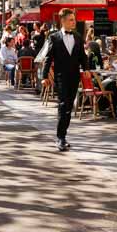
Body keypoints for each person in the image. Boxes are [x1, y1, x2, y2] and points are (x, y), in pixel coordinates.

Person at [41, 8, 89, 152]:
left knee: (68, 108)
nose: (74, 22)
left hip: (74, 76)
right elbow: (48, 58)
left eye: (74, 19)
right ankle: (60, 137)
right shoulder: (54, 37)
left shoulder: (78, 36)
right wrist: (44, 77)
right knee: (63, 105)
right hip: (61, 77)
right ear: (63, 21)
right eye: (71, 20)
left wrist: (86, 68)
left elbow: (83, 56)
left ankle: (63, 135)